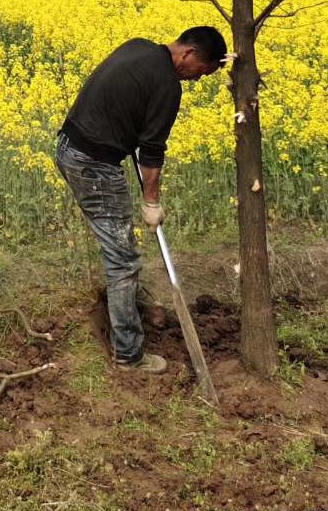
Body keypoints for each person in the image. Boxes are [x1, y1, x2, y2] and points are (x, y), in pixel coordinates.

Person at [56, 26, 229, 375]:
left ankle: (127, 312)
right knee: (122, 258)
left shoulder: (139, 47)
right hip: (93, 163)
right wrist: (151, 201)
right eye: (202, 72)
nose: (197, 80)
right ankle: (129, 354)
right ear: (190, 55)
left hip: (69, 146)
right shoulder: (167, 85)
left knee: (116, 247)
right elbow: (151, 151)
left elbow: (127, 110)